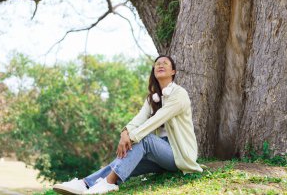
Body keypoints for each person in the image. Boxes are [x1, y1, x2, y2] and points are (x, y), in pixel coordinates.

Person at [53, 55, 203, 195]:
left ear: (173, 71)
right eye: (157, 64)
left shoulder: (179, 94)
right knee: (122, 162)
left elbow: (157, 119)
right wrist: (125, 132)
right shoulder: (153, 98)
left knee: (144, 139)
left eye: (165, 63)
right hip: (161, 155)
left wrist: (132, 137)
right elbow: (139, 119)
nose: (160, 65)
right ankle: (85, 184)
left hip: (179, 154)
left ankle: (109, 183)